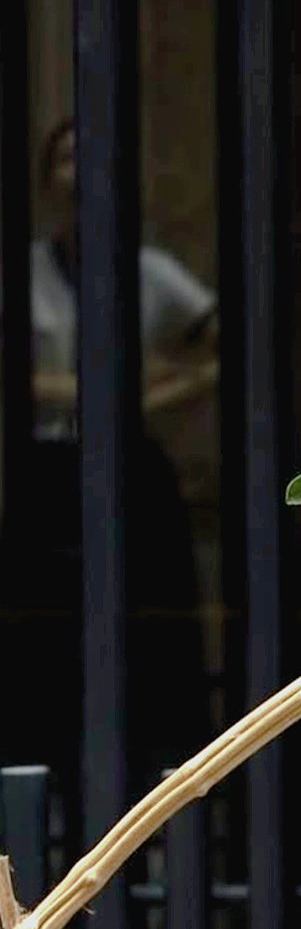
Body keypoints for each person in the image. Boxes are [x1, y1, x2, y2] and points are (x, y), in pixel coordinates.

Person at [0, 120, 213, 782]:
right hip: (49, 467)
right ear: (45, 181)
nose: (78, 172)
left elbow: (222, 347)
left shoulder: (148, 271)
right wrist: (88, 390)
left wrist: (156, 395)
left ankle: (161, 783)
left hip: (131, 465)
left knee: (152, 627)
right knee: (50, 632)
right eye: (65, 158)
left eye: (91, 159)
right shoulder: (27, 272)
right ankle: (53, 785)